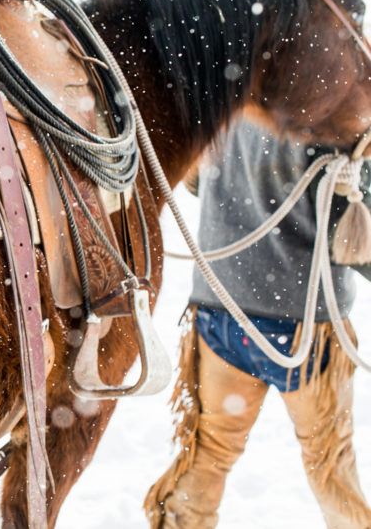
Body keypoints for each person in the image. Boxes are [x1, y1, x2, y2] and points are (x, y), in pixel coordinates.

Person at [144, 120, 371, 528]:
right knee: (330, 465)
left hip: (222, 307)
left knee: (208, 455)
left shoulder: (234, 87)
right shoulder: (338, 100)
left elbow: (195, 180)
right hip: (304, 325)